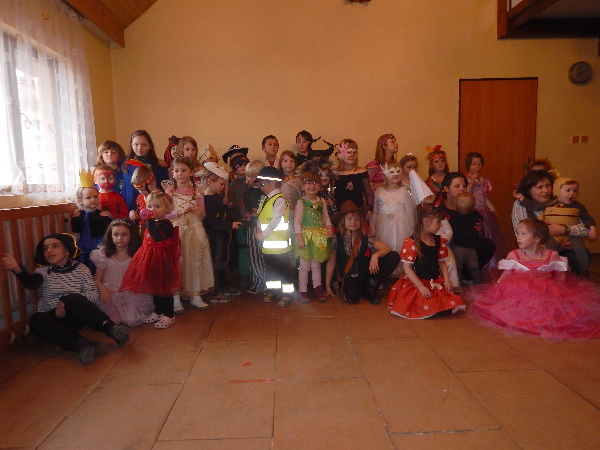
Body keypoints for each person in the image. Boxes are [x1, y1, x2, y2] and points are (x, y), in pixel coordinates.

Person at [1, 233, 130, 365]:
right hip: (54, 318)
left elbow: (93, 294)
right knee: (36, 320)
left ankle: (111, 328)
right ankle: (81, 344)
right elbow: (31, 283)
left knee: (73, 298)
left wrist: (66, 299)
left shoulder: (81, 269)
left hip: (76, 315)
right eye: (45, 248)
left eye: (55, 246)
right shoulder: (44, 271)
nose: (49, 250)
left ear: (67, 251)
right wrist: (17, 268)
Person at [467, 219, 600, 339]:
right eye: (518, 233)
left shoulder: (551, 255)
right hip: (519, 292)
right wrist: (497, 290)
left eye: (523, 234)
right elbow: (506, 275)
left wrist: (560, 293)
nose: (518, 237)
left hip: (546, 293)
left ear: (537, 238)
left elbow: (560, 275)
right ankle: (524, 318)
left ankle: (544, 319)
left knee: (559, 311)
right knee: (517, 304)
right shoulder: (514, 255)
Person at [386, 203, 465, 319]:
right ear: (426, 221)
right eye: (438, 222)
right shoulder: (412, 242)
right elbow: (407, 267)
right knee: (423, 304)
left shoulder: (439, 240)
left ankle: (434, 305)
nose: (440, 225)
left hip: (435, 281)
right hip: (417, 282)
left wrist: (447, 280)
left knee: (446, 308)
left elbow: (442, 262)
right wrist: (420, 286)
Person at [120, 190, 183, 329]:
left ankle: (169, 314)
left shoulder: (166, 224)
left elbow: (157, 237)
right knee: (154, 285)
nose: (152, 210)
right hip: (149, 257)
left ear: (167, 209)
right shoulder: (152, 222)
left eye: (157, 206)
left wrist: (148, 220)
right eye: (149, 206)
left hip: (162, 259)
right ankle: (158, 311)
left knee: (164, 287)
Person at [165, 156, 214, 312]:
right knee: (178, 263)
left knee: (195, 261)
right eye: (177, 170)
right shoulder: (170, 192)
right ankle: (176, 298)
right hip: (177, 230)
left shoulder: (197, 192)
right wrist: (178, 213)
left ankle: (195, 295)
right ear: (172, 173)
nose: (180, 174)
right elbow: (165, 213)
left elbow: (203, 214)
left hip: (195, 230)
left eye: (184, 170)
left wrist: (198, 212)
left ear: (191, 172)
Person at [333, 201, 400, 305]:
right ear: (343, 221)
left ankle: (372, 284)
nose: (353, 222)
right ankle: (364, 287)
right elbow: (331, 261)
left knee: (394, 256)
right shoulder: (337, 238)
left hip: (364, 270)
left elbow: (387, 248)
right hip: (348, 275)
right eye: (349, 218)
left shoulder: (364, 237)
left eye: (357, 218)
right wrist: (329, 284)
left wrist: (375, 255)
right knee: (352, 299)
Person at [90, 219, 154, 326]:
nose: (120, 238)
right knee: (113, 320)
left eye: (124, 234)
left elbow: (141, 278)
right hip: (109, 293)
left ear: (131, 235)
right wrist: (103, 290)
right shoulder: (103, 255)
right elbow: (97, 279)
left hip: (130, 293)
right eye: (116, 234)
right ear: (110, 236)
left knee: (131, 319)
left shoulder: (137, 255)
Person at [437, 172, 496, 271]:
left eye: (464, 186)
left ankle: (470, 273)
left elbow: (478, 235)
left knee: (488, 245)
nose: (462, 189)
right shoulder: (440, 210)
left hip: (469, 248)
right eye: (457, 186)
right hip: (452, 249)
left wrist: (480, 230)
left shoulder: (469, 207)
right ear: (446, 189)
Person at [255, 166, 295, 306]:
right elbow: (260, 216)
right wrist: (258, 228)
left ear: (272, 183)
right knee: (271, 271)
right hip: (268, 245)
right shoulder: (265, 199)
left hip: (280, 246)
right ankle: (273, 291)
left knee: (284, 271)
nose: (261, 188)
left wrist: (263, 233)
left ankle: (287, 294)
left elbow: (276, 220)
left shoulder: (279, 200)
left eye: (262, 184)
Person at [541, 176, 597, 276]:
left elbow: (587, 218)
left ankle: (583, 271)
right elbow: (540, 217)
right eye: (568, 190)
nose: (572, 193)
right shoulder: (549, 204)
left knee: (581, 250)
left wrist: (592, 228)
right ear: (557, 191)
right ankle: (548, 271)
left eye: (575, 191)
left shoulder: (578, 206)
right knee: (549, 251)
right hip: (553, 236)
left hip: (572, 236)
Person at [203, 161, 243, 300]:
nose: (223, 187)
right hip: (216, 237)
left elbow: (221, 214)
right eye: (221, 184)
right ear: (210, 182)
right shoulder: (208, 200)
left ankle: (224, 285)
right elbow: (211, 221)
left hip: (222, 236)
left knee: (223, 262)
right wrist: (230, 225)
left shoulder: (216, 198)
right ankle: (215, 290)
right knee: (217, 263)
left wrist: (226, 206)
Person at [294, 170, 334, 303]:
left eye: (315, 183)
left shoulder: (322, 201)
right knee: (304, 266)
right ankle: (303, 290)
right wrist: (299, 238)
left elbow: (326, 217)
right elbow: (297, 221)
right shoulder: (301, 202)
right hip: (305, 237)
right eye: (308, 183)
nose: (312, 186)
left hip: (318, 237)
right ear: (302, 186)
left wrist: (329, 227)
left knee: (316, 265)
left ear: (320, 186)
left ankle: (318, 289)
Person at [369, 161, 414, 273]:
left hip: (400, 227)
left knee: (399, 247)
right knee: (384, 246)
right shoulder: (379, 192)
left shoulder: (403, 191)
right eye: (392, 172)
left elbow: (409, 212)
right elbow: (375, 211)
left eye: (398, 171)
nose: (396, 174)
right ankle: (385, 271)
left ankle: (400, 272)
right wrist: (372, 228)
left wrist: (411, 230)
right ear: (384, 175)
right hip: (383, 227)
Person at [465, 152, 507, 268]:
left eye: (479, 164)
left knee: (488, 234)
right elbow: (465, 195)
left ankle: (490, 263)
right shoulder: (465, 179)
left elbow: (484, 198)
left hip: (485, 213)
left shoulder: (484, 181)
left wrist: (492, 208)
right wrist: (471, 182)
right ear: (468, 165)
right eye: (474, 164)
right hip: (472, 212)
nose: (477, 167)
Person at [71, 172, 113, 272]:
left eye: (95, 196)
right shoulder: (79, 214)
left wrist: (110, 217)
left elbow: (108, 231)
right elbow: (76, 229)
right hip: (83, 244)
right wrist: (75, 218)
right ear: (80, 201)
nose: (93, 200)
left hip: (98, 245)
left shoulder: (102, 214)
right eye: (88, 198)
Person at [122, 130, 170, 211]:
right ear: (131, 145)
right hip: (130, 209)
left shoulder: (158, 165)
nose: (139, 148)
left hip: (152, 209)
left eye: (144, 145)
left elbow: (164, 189)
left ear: (150, 146)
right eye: (136, 144)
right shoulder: (125, 164)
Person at [243, 160, 267, 296]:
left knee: (266, 256)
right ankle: (258, 282)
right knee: (255, 256)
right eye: (249, 176)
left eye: (254, 176)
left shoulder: (267, 191)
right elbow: (246, 209)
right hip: (252, 228)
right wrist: (247, 214)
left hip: (266, 228)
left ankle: (267, 282)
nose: (251, 179)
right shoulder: (247, 192)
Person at [450, 193, 483, 285]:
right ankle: (478, 285)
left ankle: (460, 285)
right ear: (473, 207)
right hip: (471, 249)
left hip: (457, 248)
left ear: (456, 206)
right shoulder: (475, 216)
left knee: (458, 270)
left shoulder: (453, 217)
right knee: (475, 269)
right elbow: (480, 219)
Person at [333, 139, 373, 212]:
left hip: (357, 211)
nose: (352, 155)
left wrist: (369, 210)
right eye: (349, 152)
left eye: (355, 152)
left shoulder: (361, 172)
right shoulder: (334, 173)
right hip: (339, 212)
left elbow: (369, 193)